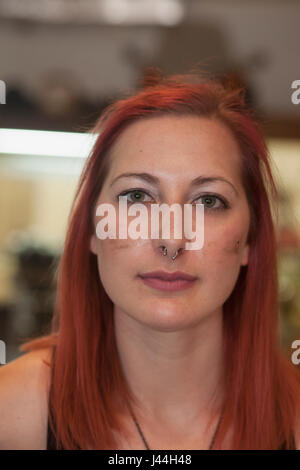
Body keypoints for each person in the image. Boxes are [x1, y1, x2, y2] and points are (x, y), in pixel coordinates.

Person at [1, 70, 300, 450]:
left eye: (208, 201)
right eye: (137, 197)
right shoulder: (15, 411)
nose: (171, 239)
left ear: (249, 242)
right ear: (92, 229)